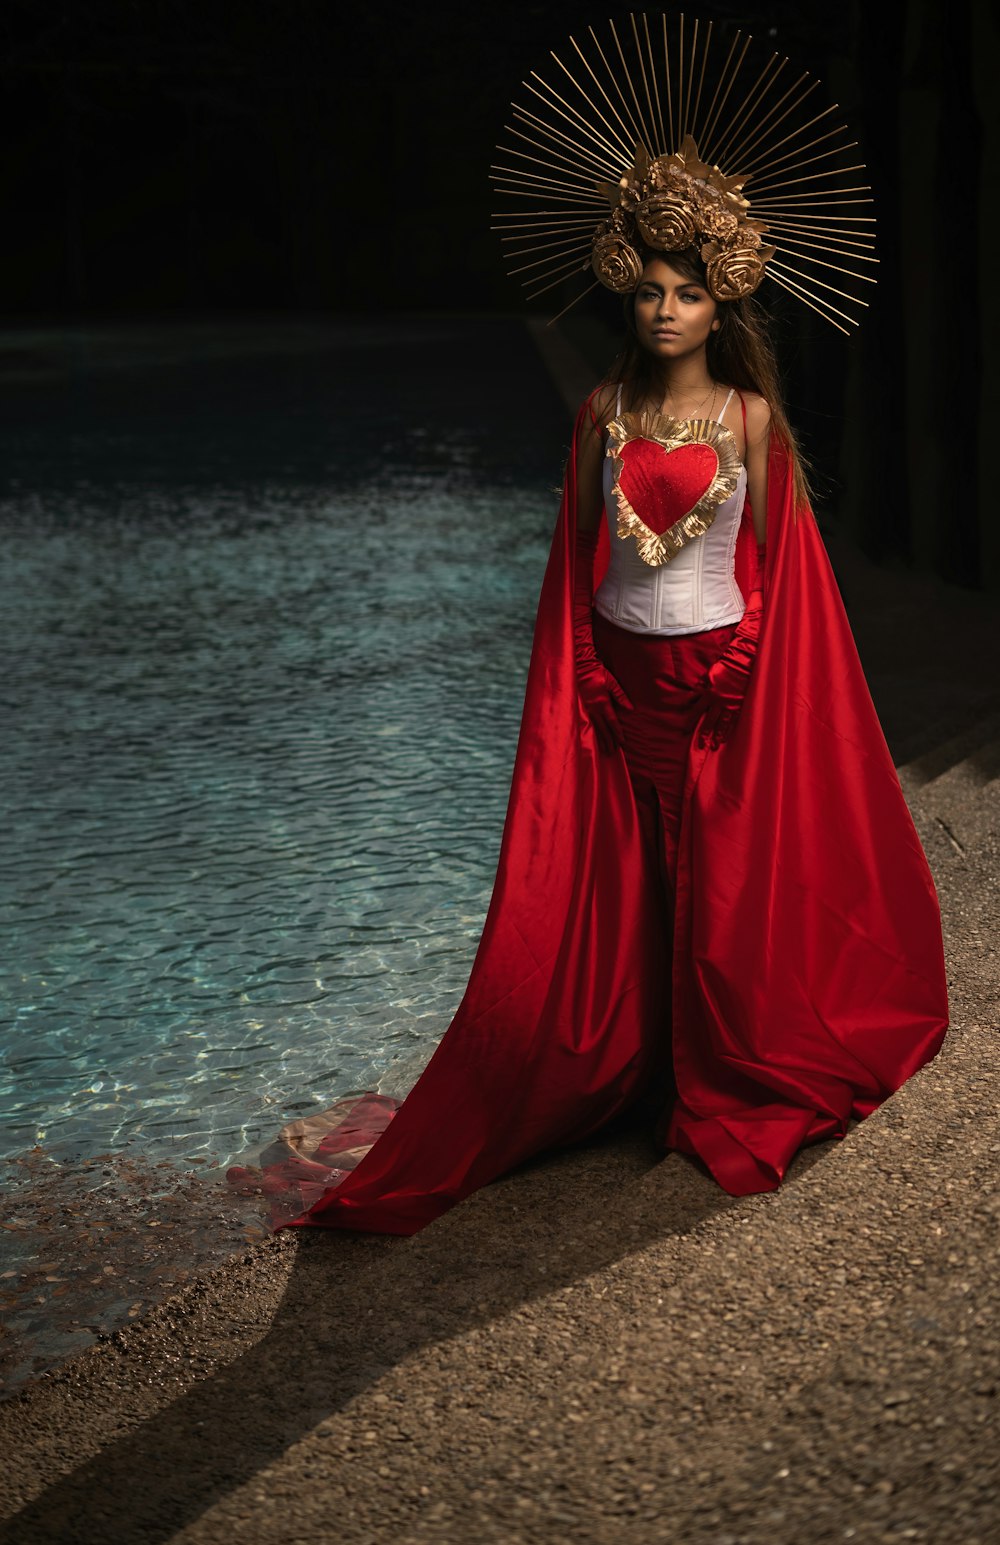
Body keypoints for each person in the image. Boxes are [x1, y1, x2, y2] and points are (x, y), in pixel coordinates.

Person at [229, 65, 949, 1236]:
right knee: (626, 886)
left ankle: (719, 1076)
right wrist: (583, 681)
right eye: (652, 292)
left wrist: (740, 664)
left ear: (724, 307)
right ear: (632, 297)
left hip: (719, 682)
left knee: (718, 885)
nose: (666, 311)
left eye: (689, 294)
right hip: (619, 687)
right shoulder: (601, 416)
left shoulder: (750, 424)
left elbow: (782, 577)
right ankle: (633, 1068)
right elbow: (576, 567)